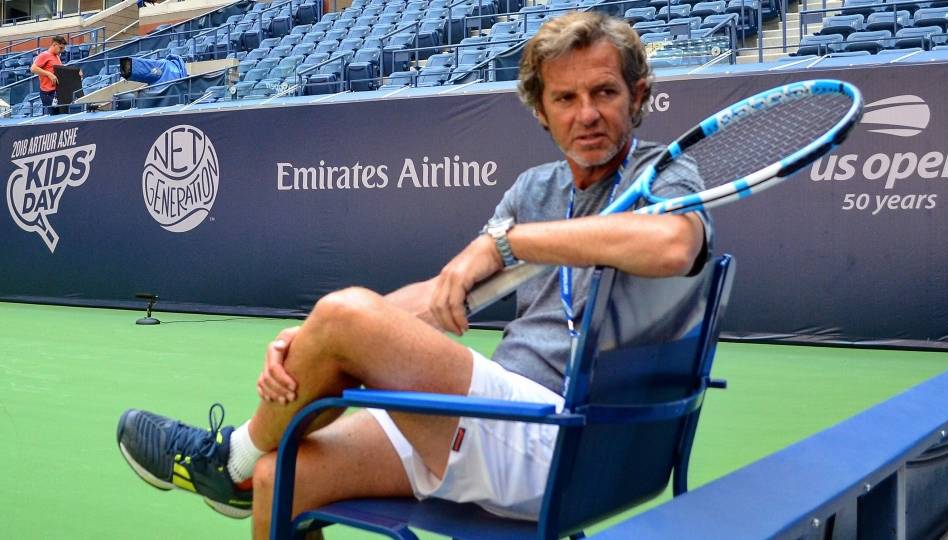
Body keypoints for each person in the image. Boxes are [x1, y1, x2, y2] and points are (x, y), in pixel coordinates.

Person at [116, 11, 712, 538]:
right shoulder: (536, 189)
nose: (587, 114)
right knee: (283, 475)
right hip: (497, 426)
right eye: (565, 98)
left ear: (638, 95)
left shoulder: (663, 176)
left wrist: (508, 242)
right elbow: (437, 298)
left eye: (604, 92)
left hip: (574, 442)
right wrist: (311, 343)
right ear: (540, 110)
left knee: (345, 316)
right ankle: (249, 466)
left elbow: (674, 246)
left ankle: (228, 461)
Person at [30, 36, 67, 115]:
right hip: (48, 93)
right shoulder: (44, 55)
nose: (62, 51)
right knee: (53, 118)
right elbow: (33, 69)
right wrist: (49, 74)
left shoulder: (57, 56)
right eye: (61, 48)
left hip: (57, 92)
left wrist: (76, 72)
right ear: (54, 45)